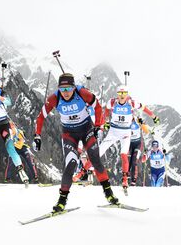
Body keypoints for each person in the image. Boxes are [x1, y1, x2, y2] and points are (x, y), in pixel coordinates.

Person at [34, 73, 119, 213]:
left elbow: (97, 107)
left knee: (95, 159)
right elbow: (40, 116)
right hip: (69, 134)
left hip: (87, 130)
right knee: (71, 164)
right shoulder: (54, 98)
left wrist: (98, 125)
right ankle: (61, 201)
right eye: (62, 89)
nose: (65, 92)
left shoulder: (82, 93)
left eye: (68, 88)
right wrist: (37, 135)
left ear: (74, 87)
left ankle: (109, 194)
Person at [98, 85, 159, 192]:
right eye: (120, 94)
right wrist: (106, 121)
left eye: (124, 94)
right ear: (117, 94)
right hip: (123, 137)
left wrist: (154, 117)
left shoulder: (134, 110)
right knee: (124, 157)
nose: (122, 96)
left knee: (132, 159)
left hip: (134, 141)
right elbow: (106, 110)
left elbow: (144, 112)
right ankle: (84, 171)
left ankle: (130, 181)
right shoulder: (113, 102)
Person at [128, 117, 152, 186]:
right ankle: (126, 177)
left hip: (138, 145)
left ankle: (133, 181)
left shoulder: (137, 121)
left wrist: (141, 124)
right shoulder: (125, 123)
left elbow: (146, 131)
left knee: (134, 160)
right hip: (130, 145)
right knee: (128, 160)